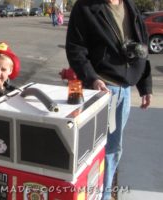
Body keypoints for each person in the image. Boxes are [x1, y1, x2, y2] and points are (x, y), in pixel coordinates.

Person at [65, 0, 152, 200]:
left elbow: (142, 48)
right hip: (102, 90)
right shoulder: (86, 7)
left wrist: (145, 85)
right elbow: (75, 48)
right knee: (91, 150)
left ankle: (102, 195)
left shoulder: (130, 7)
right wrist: (92, 78)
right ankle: (89, 194)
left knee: (113, 148)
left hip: (124, 91)